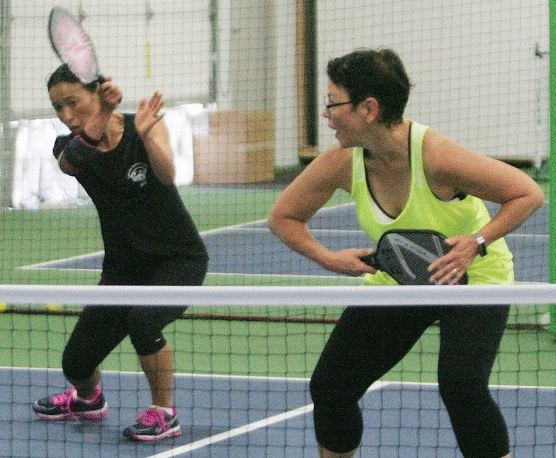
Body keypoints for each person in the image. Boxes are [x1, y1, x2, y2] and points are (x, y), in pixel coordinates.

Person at [268, 48, 544, 458]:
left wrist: (476, 241)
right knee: (331, 387)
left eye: (332, 102)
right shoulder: (341, 162)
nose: (326, 113)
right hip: (402, 277)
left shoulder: (437, 156)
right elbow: (284, 217)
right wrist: (328, 259)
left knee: (462, 387)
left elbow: (528, 193)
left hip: (474, 278)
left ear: (368, 108)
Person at [32, 64, 208, 442]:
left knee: (143, 322)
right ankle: (87, 399)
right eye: (57, 107)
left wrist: (145, 137)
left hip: (177, 258)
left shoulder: (141, 123)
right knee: (75, 362)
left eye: (72, 102)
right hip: (123, 268)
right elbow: (75, 163)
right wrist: (105, 112)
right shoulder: (67, 147)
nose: (65, 115)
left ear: (96, 92)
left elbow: (166, 175)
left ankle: (164, 411)